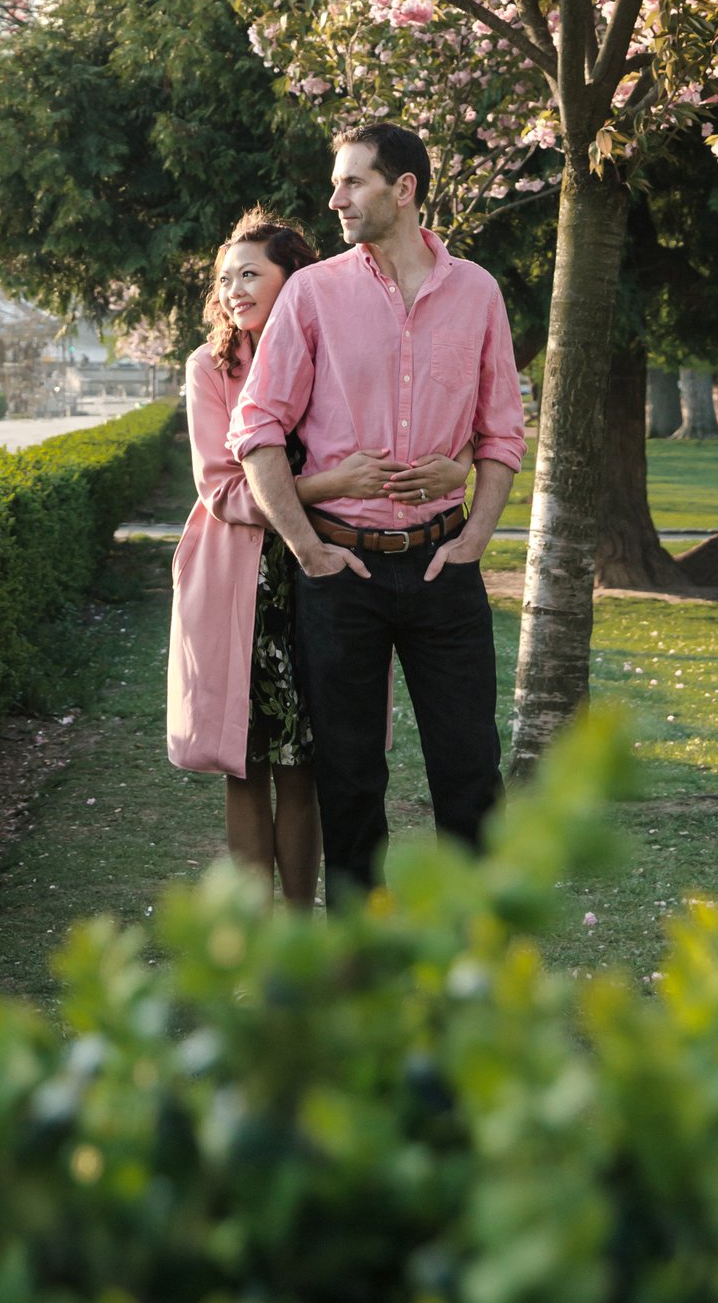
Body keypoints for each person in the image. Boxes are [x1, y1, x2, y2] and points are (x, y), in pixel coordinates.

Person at [230, 123, 525, 902]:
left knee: (470, 777)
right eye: (337, 183)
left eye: (354, 182)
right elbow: (255, 429)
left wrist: (476, 536)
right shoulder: (314, 293)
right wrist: (307, 549)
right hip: (341, 573)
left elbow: (502, 433)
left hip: (442, 567)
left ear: (405, 189)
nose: (336, 199)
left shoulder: (478, 292)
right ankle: (358, 967)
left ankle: (475, 960)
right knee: (351, 784)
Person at [166, 207, 470, 906]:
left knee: (307, 765)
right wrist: (326, 485)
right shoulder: (211, 367)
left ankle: (300, 933)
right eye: (225, 278)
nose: (234, 289)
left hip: (328, 581)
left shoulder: (331, 344)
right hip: (244, 583)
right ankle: (251, 938)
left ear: (293, 280)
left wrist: (454, 470)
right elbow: (223, 489)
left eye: (251, 274)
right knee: (245, 767)